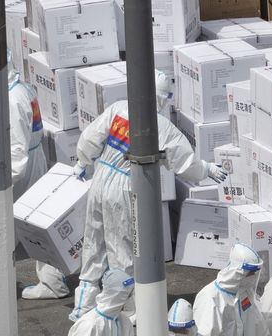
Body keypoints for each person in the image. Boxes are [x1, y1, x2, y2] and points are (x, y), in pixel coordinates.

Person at [70, 71, 227, 320]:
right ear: (162, 99)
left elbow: (91, 137)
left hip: (100, 179)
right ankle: (126, 310)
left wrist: (82, 161)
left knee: (93, 242)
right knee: (122, 249)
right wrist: (207, 169)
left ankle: (82, 307)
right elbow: (185, 162)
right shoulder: (162, 127)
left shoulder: (118, 110)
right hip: (126, 186)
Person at [11, 53, 70, 301]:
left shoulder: (11, 100)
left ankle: (53, 282)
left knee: (27, 226)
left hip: (21, 168)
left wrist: (4, 182)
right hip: (34, 159)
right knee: (29, 223)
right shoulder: (22, 88)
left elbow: (16, 148)